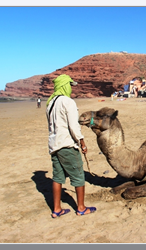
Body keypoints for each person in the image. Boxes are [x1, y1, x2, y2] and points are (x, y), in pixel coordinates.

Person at [46, 74, 96, 218]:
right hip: (67, 145)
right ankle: (81, 207)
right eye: (70, 86)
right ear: (64, 86)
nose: (71, 89)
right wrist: (82, 142)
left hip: (54, 145)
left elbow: (51, 126)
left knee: (57, 177)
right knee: (79, 176)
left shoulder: (50, 103)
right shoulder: (68, 102)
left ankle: (57, 209)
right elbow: (74, 126)